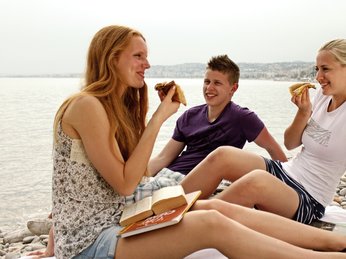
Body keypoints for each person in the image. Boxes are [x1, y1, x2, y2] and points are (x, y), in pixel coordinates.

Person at [38, 26, 346, 259]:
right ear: (111, 58)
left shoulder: (107, 107)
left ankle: (335, 241)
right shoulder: (86, 105)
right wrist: (158, 118)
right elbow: (124, 184)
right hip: (94, 241)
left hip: (116, 217)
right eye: (138, 56)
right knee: (211, 222)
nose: (147, 64)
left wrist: (149, 115)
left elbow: (128, 177)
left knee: (215, 207)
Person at [181, 39, 346, 225]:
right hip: (286, 172)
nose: (318, 77)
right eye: (317, 69)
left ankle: (189, 221)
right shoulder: (323, 97)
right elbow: (290, 143)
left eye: (325, 69)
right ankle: (168, 207)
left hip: (308, 198)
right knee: (222, 155)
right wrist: (303, 112)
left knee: (256, 181)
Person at [148, 55, 287, 177]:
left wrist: (291, 184)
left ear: (233, 88)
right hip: (169, 174)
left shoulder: (243, 118)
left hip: (200, 183)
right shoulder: (189, 116)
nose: (209, 88)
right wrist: (136, 178)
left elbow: (273, 149)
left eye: (217, 83)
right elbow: (163, 158)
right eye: (207, 82)